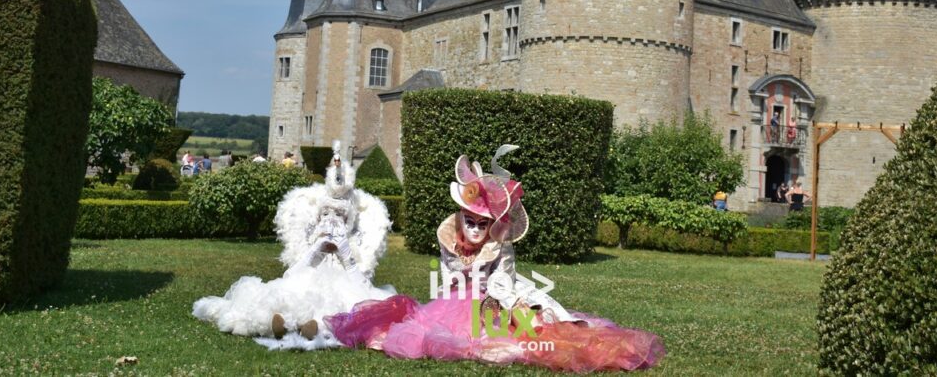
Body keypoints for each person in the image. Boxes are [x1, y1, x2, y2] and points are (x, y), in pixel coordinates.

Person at [326, 145, 665, 371]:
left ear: (492, 226)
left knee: (538, 334)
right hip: (457, 300)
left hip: (496, 298)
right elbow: (449, 279)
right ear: (460, 219)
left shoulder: (499, 247)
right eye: (469, 221)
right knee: (429, 330)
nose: (474, 229)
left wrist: (509, 311)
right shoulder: (450, 240)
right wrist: (449, 298)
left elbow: (503, 282)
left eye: (482, 223)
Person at [192, 142, 395, 349]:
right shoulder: (313, 241)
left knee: (338, 302)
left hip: (340, 280)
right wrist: (317, 248)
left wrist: (345, 252)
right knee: (290, 292)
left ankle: (315, 326)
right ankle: (280, 322)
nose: (332, 220)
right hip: (309, 276)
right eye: (326, 214)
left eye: (339, 215)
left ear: (348, 221)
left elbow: (360, 283)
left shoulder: (352, 245)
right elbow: (293, 272)